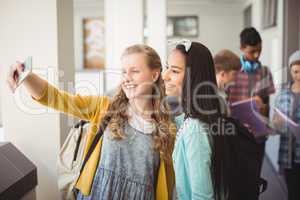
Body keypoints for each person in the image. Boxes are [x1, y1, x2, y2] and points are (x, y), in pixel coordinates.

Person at [7, 44, 175, 200]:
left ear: (154, 75)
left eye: (135, 71)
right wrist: (26, 76)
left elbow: (170, 184)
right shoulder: (104, 108)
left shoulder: (168, 129)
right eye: (124, 72)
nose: (127, 78)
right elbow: (58, 98)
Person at [162, 40, 231, 200]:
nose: (164, 76)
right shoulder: (193, 117)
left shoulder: (194, 130)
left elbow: (202, 197)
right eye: (166, 67)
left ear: (194, 77)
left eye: (174, 71)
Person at [226, 27, 275, 170]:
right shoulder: (231, 71)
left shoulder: (265, 72)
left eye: (259, 50)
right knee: (237, 175)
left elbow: (267, 104)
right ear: (242, 48)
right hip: (236, 134)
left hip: (257, 135)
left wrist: (263, 107)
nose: (256, 55)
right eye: (252, 51)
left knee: (255, 176)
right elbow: (224, 101)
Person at [273, 50, 300, 200]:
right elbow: (276, 126)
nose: (299, 76)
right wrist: (276, 124)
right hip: (288, 153)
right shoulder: (282, 95)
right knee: (292, 193)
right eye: (296, 72)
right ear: (290, 71)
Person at [213, 49, 241, 115]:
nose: (236, 78)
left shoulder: (222, 93)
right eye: (234, 74)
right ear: (223, 74)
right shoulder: (214, 97)